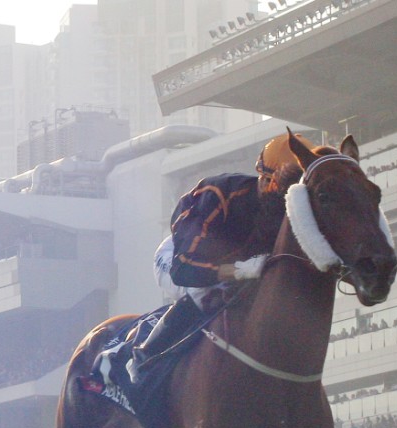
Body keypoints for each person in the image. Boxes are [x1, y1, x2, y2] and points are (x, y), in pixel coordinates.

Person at [127, 131, 316, 382]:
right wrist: (238, 271)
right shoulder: (218, 193)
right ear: (265, 178)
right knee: (206, 293)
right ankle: (143, 357)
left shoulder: (284, 214)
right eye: (284, 192)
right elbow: (183, 270)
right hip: (176, 258)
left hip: (231, 267)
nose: (286, 203)